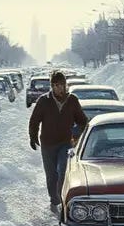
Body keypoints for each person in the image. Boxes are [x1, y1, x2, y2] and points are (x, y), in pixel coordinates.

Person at [28, 70, 89, 213]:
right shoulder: (44, 100)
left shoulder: (72, 100)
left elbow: (82, 121)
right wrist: (33, 137)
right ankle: (53, 199)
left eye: (61, 85)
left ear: (65, 85)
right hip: (48, 144)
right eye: (55, 85)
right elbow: (34, 121)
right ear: (51, 86)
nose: (58, 88)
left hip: (65, 143)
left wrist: (76, 134)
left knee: (62, 170)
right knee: (51, 174)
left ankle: (62, 198)